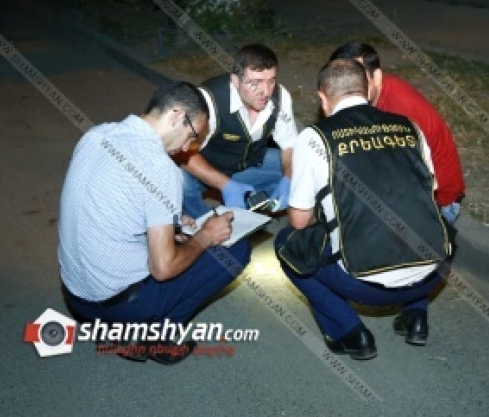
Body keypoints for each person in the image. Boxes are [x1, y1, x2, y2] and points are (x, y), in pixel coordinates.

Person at [58, 82, 251, 365]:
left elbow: (112, 206)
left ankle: (115, 331)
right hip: (120, 305)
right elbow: (163, 269)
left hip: (76, 297)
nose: (186, 148)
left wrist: (173, 224)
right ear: (176, 115)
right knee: (236, 250)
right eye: (191, 136)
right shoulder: (159, 166)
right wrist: (206, 235)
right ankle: (153, 337)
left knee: (183, 241)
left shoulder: (96, 134)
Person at [275, 59, 453, 360]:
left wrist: (328, 212)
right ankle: (416, 316)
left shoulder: (315, 138)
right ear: (368, 91)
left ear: (323, 98)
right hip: (433, 272)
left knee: (287, 244)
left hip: (366, 285)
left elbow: (300, 221)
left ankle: (349, 332)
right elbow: (427, 194)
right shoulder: (409, 127)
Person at [329, 42, 465, 224]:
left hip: (437, 204)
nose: (350, 90)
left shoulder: (399, 111)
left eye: (358, 78)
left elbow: (408, 182)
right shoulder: (370, 99)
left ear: (377, 77)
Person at [181, 43, 298, 217]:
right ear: (235, 80)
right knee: (180, 180)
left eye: (271, 80)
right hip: (209, 166)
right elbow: (182, 153)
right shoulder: (208, 101)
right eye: (255, 83)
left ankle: (258, 201)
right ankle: (200, 223)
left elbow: (289, 145)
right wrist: (225, 184)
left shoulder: (280, 97)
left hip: (250, 161)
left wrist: (288, 179)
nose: (266, 91)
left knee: (304, 165)